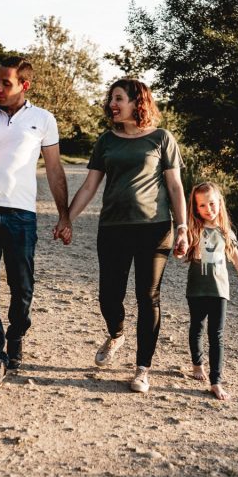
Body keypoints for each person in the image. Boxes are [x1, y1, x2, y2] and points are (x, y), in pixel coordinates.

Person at [67, 78, 188, 394]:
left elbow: (175, 187)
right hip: (113, 228)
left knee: (148, 296)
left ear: (138, 102)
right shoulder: (106, 141)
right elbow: (90, 186)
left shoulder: (162, 139)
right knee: (109, 294)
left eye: (118, 98)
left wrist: (183, 227)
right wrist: (67, 217)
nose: (112, 104)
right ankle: (116, 333)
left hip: (154, 228)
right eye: (111, 99)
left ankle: (142, 369)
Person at [0, 56, 72, 388]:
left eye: (5, 83)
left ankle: (16, 335)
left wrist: (64, 215)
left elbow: (54, 169)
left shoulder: (43, 119)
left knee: (22, 288)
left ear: (24, 85)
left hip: (21, 215)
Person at [182, 181, 238, 401]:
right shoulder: (193, 229)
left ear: (220, 203)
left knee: (216, 335)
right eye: (202, 205)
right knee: (196, 327)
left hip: (219, 291)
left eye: (212, 203)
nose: (208, 209)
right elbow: (180, 251)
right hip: (196, 289)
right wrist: (181, 248)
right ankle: (197, 364)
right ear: (196, 208)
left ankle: (216, 381)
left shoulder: (226, 232)